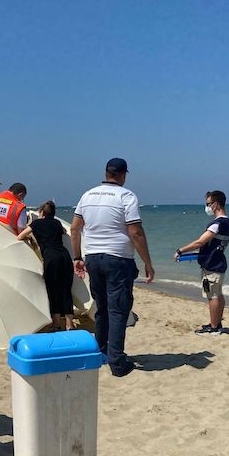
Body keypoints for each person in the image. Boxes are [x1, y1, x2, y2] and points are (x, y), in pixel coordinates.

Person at [70, 157, 155, 377]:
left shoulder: (87, 195)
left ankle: (101, 351)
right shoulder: (126, 196)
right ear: (123, 174)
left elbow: (75, 228)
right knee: (118, 309)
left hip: (93, 258)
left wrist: (77, 256)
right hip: (118, 259)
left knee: (102, 308)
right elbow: (135, 232)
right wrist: (147, 262)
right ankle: (117, 362)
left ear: (106, 173)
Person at [174, 190, 229, 334]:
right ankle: (217, 323)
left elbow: (200, 242)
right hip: (219, 263)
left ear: (216, 204)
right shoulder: (227, 222)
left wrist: (181, 250)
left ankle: (214, 327)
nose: (206, 207)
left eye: (208, 204)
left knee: (212, 296)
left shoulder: (217, 224)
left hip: (212, 266)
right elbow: (211, 245)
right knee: (218, 294)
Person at [16, 200, 75, 331]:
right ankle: (69, 325)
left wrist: (30, 239)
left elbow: (20, 237)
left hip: (51, 257)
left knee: (53, 290)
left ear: (41, 212)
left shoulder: (36, 224)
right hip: (64, 257)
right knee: (66, 290)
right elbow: (64, 232)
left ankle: (56, 323)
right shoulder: (57, 223)